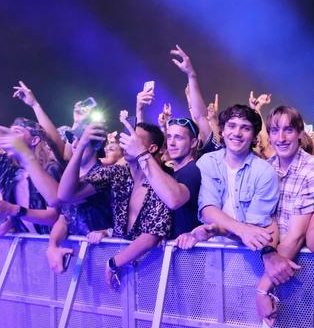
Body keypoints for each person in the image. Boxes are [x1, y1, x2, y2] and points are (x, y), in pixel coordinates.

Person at [57, 120, 189, 287]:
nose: (127, 141)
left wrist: (113, 262)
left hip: (151, 270)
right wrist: (82, 145)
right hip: (121, 273)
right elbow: (65, 194)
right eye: (126, 136)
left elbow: (150, 236)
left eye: (134, 138)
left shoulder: (162, 182)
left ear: (151, 148)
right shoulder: (117, 173)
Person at [254, 105, 314, 325]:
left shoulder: (312, 169)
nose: (281, 137)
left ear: (299, 132)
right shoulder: (266, 168)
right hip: (266, 265)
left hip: (297, 270)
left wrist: (262, 289)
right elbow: (262, 221)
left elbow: (296, 236)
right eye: (275, 131)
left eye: (288, 130)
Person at [178, 104, 279, 250]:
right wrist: (241, 229)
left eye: (245, 128)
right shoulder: (208, 162)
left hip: (249, 256)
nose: (237, 133)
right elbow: (208, 209)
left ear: (254, 137)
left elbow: (255, 230)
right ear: (223, 131)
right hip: (211, 252)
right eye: (231, 126)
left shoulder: (265, 172)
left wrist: (222, 231)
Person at [46, 123, 114, 273]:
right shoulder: (71, 179)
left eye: (82, 140)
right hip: (78, 260)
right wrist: (53, 245)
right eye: (73, 139)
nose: (75, 144)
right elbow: (64, 218)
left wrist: (106, 232)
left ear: (96, 146)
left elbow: (121, 221)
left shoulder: (106, 174)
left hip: (104, 257)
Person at [165, 117, 202, 238]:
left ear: (193, 142)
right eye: (169, 137)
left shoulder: (193, 171)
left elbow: (174, 201)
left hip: (188, 252)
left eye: (178, 137)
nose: (171, 143)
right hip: (171, 250)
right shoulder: (170, 172)